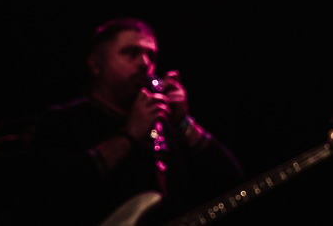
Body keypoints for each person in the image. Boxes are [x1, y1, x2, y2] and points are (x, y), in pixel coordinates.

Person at [20, 17, 244, 226]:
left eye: (151, 56)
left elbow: (234, 186)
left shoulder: (164, 127)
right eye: (131, 53)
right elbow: (54, 192)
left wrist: (183, 122)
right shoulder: (63, 121)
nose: (145, 64)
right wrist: (130, 134)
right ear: (96, 65)